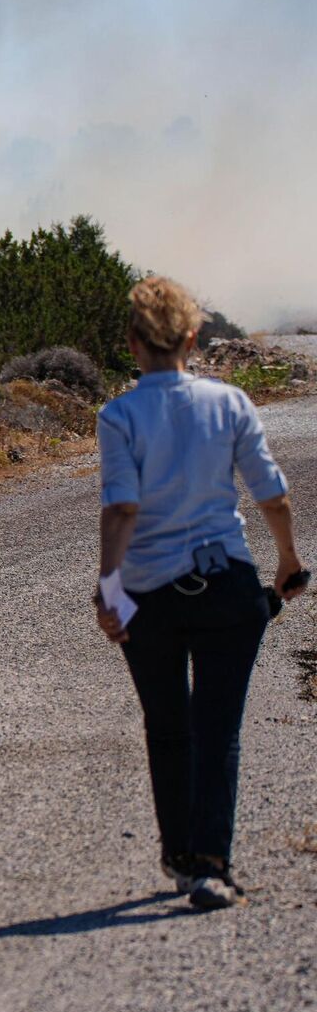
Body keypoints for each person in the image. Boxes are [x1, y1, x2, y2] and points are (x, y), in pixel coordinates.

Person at [94, 276, 305, 910]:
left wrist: (109, 591)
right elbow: (272, 494)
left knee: (167, 726)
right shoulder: (230, 403)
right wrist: (288, 562)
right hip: (226, 587)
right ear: (192, 337)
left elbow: (121, 509)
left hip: (148, 596)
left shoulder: (118, 416)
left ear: (133, 343)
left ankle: (180, 856)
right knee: (219, 726)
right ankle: (213, 864)